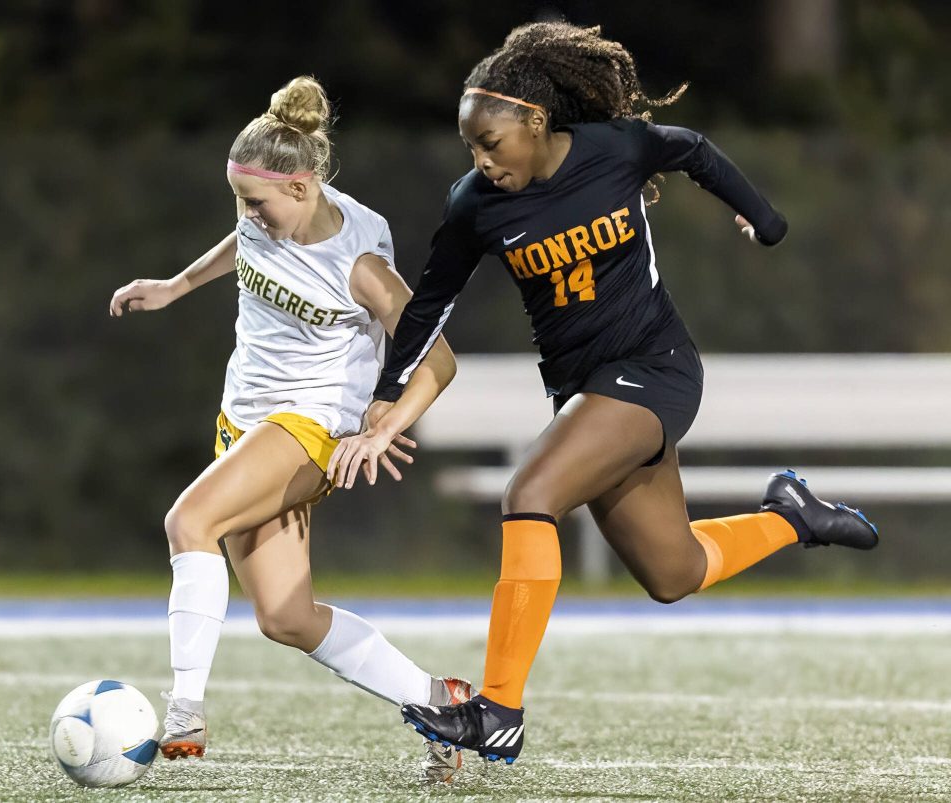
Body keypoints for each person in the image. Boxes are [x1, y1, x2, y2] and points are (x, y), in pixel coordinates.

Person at [327, 23, 879, 764]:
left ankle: (498, 710)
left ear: (535, 121)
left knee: (530, 493)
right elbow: (430, 304)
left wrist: (765, 219)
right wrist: (388, 394)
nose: (481, 160)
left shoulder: (614, 150)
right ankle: (793, 517)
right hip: (586, 394)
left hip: (655, 367)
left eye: (491, 143)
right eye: (470, 147)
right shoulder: (475, 203)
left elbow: (691, 148)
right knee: (674, 572)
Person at [109, 75, 472, 783]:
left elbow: (439, 359)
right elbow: (243, 244)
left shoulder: (360, 264)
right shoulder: (264, 217)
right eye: (240, 200)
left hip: (309, 428)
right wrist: (177, 286)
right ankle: (442, 703)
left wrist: (383, 426)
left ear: (303, 188)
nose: (247, 215)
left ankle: (184, 710)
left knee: (188, 521)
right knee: (285, 616)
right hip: (244, 422)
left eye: (256, 202)